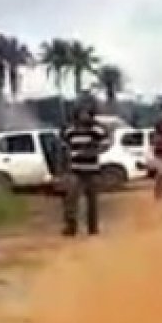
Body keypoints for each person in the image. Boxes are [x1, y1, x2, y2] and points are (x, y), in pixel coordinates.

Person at [59, 99, 108, 236]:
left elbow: (105, 144)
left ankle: (92, 227)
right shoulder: (70, 131)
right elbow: (64, 148)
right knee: (71, 199)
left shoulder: (96, 130)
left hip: (92, 169)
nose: (84, 116)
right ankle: (71, 226)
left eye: (86, 113)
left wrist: (94, 151)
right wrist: (66, 162)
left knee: (92, 200)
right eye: (81, 113)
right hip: (75, 169)